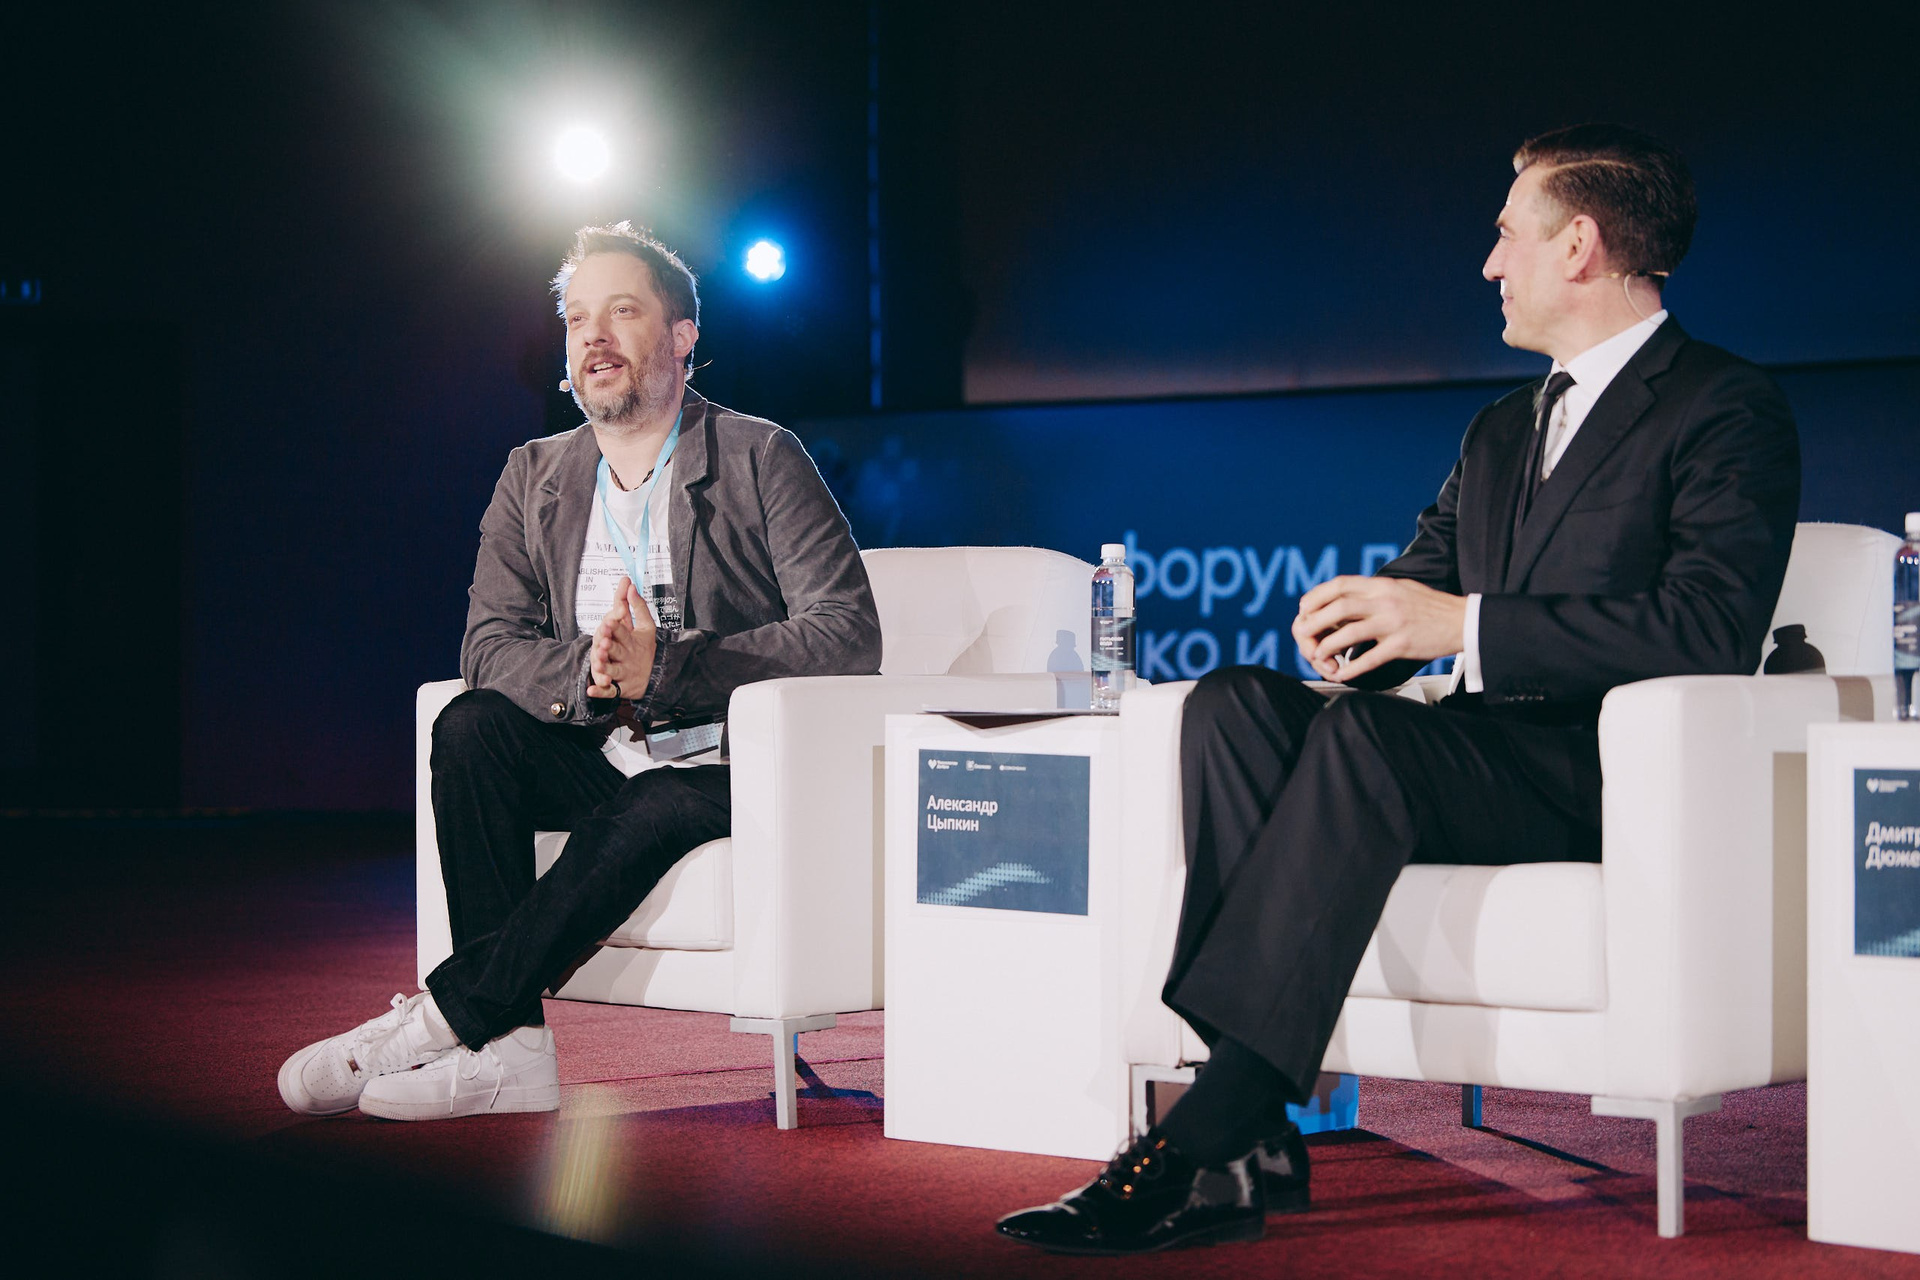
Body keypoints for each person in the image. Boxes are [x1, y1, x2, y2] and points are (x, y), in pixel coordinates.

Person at [997, 124, 1801, 1253]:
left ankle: (1205, 1135)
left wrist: (1462, 625)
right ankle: (1251, 1125)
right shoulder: (1502, 428)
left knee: (1368, 746)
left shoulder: (1723, 404)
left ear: (1578, 246)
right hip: (1471, 755)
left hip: (1596, 772)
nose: (1490, 263)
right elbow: (1417, 590)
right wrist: (1356, 628)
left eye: (1508, 235)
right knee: (1235, 704)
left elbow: (1706, 628)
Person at [278, 222, 881, 1121]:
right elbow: (489, 644)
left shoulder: (760, 456)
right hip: (602, 748)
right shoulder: (533, 475)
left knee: (659, 798)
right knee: (470, 725)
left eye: (622, 311)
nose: (593, 335)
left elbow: (847, 633)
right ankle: (513, 1053)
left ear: (682, 335)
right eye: (576, 319)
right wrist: (596, 675)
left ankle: (448, 1015)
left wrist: (668, 668)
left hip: (734, 765)